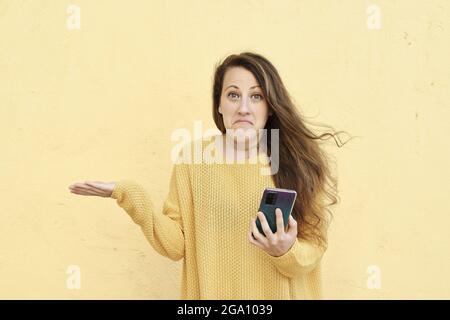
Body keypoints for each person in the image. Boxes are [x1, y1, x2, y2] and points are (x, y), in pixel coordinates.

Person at [69, 52, 347, 299]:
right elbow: (176, 246)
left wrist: (285, 251)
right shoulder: (193, 160)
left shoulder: (297, 163)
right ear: (219, 105)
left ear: (270, 106)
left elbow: (314, 249)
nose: (244, 107)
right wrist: (128, 193)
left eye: (256, 96)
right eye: (233, 95)